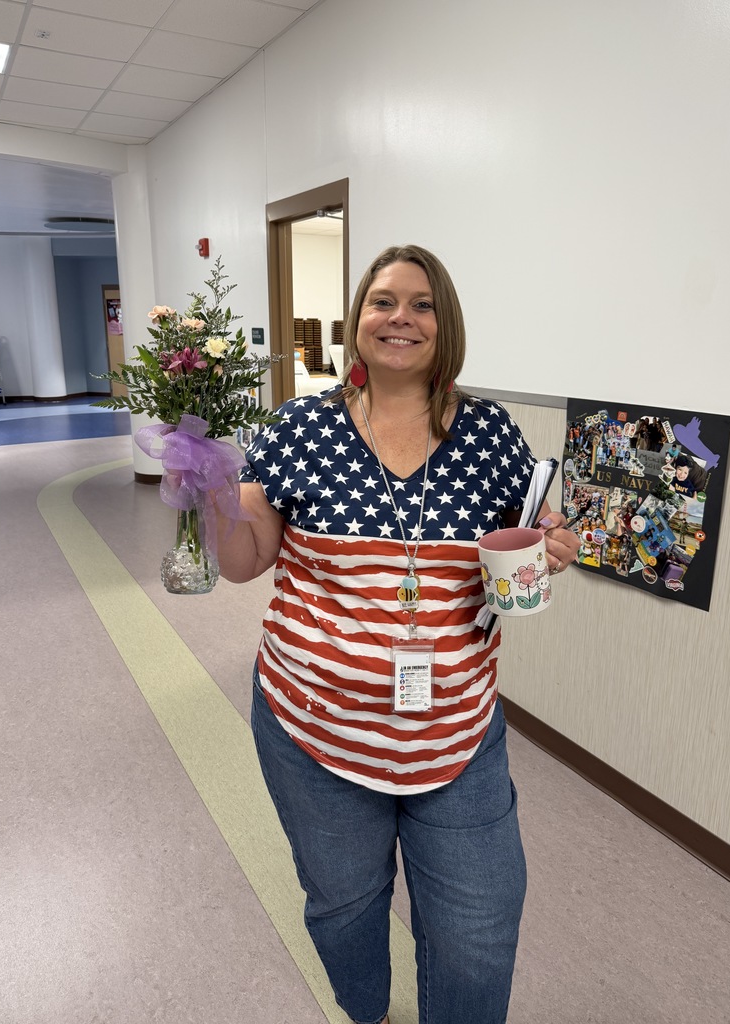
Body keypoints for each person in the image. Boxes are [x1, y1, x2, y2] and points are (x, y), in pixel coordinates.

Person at [214, 245, 579, 1024]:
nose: (401, 318)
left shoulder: (490, 436)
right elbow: (244, 562)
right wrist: (206, 493)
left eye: (422, 303)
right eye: (383, 301)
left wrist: (551, 555)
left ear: (445, 325)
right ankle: (369, 1013)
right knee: (345, 904)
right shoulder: (300, 428)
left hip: (456, 730)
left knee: (480, 924)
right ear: (358, 321)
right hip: (313, 727)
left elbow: (523, 552)